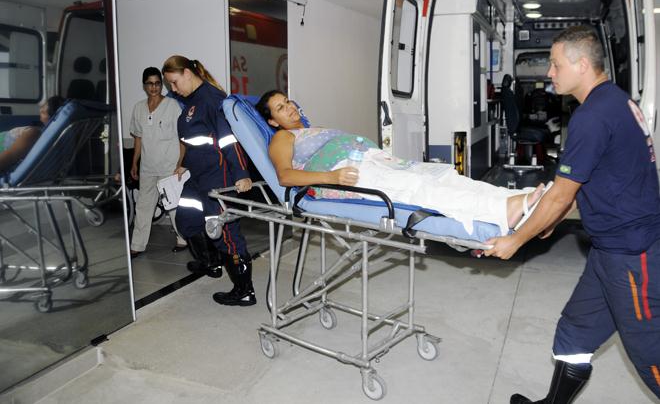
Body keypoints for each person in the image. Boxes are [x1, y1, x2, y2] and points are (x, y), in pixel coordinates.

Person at [485, 26, 660, 403]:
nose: (550, 73)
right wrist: (552, 218)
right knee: (575, 333)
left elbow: (561, 195)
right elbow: (600, 181)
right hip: (608, 250)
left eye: (555, 64)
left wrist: (516, 239)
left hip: (631, 255)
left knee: (651, 357)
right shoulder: (616, 101)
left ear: (581, 65)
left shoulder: (593, 116)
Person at [256, 90, 546, 236]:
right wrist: (331, 178)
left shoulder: (311, 129)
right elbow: (285, 177)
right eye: (280, 108)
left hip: (373, 161)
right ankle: (500, 211)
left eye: (288, 101)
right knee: (416, 187)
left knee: (442, 176)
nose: (289, 108)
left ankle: (515, 199)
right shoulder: (282, 138)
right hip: (348, 173)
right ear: (273, 121)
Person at [162, 55, 255, 306]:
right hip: (197, 177)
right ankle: (211, 263)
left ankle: (244, 290)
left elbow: (229, 140)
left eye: (174, 82)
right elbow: (197, 140)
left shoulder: (212, 99)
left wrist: (242, 173)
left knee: (226, 234)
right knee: (186, 219)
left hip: (219, 178)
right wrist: (184, 162)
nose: (173, 89)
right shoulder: (192, 101)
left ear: (187, 73)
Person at [128, 67, 187, 258]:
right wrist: (134, 162)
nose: (154, 87)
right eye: (150, 84)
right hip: (147, 167)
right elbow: (138, 138)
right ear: (144, 85)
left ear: (162, 84)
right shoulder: (138, 108)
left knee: (173, 206)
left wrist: (180, 163)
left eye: (157, 83)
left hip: (169, 166)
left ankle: (182, 239)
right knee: (143, 205)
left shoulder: (173, 106)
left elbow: (182, 137)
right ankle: (137, 244)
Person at [0, 96, 65, 173]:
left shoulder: (34, 134)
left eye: (44, 111)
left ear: (52, 118)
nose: (40, 110)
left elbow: (9, 156)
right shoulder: (40, 133)